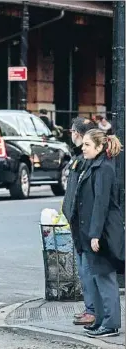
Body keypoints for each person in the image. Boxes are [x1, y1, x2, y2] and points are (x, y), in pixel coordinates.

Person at [72, 128, 124, 338]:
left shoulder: (104, 168)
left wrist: (95, 235)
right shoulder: (92, 164)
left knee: (104, 278)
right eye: (83, 144)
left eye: (87, 144)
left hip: (101, 232)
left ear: (100, 147)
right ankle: (101, 320)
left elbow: (101, 204)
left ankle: (111, 323)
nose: (83, 148)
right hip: (88, 231)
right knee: (94, 278)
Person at [62, 117, 98, 326]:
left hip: (84, 225)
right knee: (84, 270)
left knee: (87, 271)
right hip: (79, 223)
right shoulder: (81, 157)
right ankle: (90, 308)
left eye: (74, 132)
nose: (73, 136)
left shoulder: (86, 159)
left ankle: (92, 310)